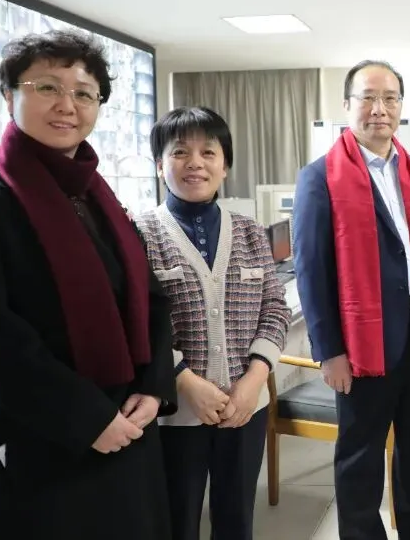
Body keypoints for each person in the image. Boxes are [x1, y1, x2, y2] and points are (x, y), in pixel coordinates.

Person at [0, 30, 177, 539]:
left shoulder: (99, 198)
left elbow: (150, 301)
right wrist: (88, 419)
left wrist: (153, 389)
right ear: (8, 96)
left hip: (126, 425)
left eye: (84, 93)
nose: (67, 105)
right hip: (38, 439)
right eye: (47, 88)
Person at [293, 60, 410, 540]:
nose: (379, 109)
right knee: (360, 457)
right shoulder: (320, 178)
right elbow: (311, 271)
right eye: (367, 97)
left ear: (401, 107)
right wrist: (329, 351)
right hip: (362, 341)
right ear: (347, 105)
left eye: (389, 98)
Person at [134, 106, 291, 540]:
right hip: (174, 414)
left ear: (225, 165)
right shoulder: (139, 233)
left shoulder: (250, 232)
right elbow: (137, 323)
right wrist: (186, 381)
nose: (195, 163)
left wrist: (254, 380)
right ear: (160, 164)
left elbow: (274, 309)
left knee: (237, 520)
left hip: (245, 407)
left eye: (208, 152)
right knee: (177, 522)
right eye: (180, 152)